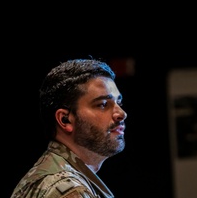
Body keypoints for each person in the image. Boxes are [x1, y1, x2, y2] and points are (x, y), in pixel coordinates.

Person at [11, 58, 127, 198]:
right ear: (65, 120)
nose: (121, 113)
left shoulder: (55, 176)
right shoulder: (70, 191)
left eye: (118, 102)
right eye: (102, 104)